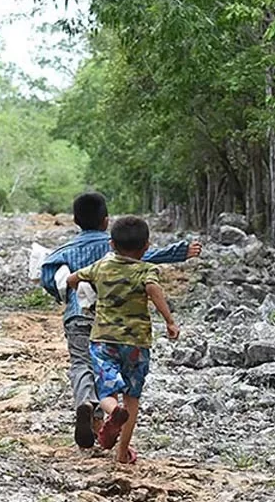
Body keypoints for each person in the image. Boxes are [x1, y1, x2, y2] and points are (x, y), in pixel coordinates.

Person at [40, 192, 200, 449]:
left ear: (75, 220)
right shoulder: (117, 249)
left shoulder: (66, 251)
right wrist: (180, 252)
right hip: (126, 330)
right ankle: (113, 435)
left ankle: (87, 404)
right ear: (106, 221)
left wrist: (63, 292)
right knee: (118, 380)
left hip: (80, 317)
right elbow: (148, 257)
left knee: (83, 365)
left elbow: (50, 276)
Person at [67, 216, 179, 464]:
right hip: (137, 343)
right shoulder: (147, 270)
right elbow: (153, 290)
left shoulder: (101, 267)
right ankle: (122, 452)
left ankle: (110, 411)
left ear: (111, 244)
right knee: (132, 397)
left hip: (104, 340)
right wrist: (169, 321)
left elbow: (71, 279)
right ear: (147, 246)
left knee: (107, 388)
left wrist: (85, 292)